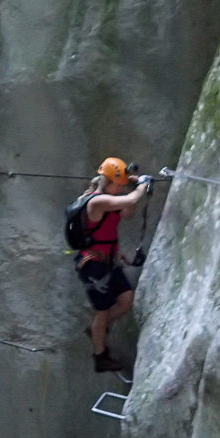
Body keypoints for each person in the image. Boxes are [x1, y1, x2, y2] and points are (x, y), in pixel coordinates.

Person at [74, 157, 153, 371]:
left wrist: (133, 183)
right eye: (117, 184)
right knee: (102, 310)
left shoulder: (111, 198)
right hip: (92, 264)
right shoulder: (97, 201)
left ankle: (98, 329)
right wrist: (142, 185)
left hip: (108, 260)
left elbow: (128, 212)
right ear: (107, 182)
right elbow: (128, 202)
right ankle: (101, 356)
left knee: (127, 300)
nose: (119, 189)